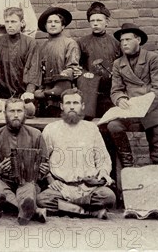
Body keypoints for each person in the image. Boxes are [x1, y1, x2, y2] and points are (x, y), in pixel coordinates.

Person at [37, 89, 115, 219]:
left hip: (88, 188)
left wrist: (102, 173)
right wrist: (50, 179)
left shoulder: (92, 129)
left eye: (75, 103)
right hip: (62, 188)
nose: (72, 106)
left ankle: (68, 208)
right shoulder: (51, 129)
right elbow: (41, 160)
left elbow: (103, 159)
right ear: (62, 106)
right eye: (68, 103)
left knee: (109, 197)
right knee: (42, 199)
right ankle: (90, 212)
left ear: (82, 106)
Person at [107, 23, 158, 167]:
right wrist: (120, 99)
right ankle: (127, 162)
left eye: (128, 40)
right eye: (122, 41)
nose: (124, 44)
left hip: (153, 109)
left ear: (138, 40)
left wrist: (142, 106)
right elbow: (116, 90)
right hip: (131, 112)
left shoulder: (152, 58)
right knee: (113, 126)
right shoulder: (118, 64)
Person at [0, 99, 48, 225]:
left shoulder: (36, 135)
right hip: (3, 181)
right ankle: (31, 210)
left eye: (19, 111)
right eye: (11, 111)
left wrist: (43, 169)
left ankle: (20, 206)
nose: (15, 115)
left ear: (25, 113)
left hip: (27, 181)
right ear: (5, 113)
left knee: (30, 186)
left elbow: (45, 165)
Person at [0, 7, 41, 105]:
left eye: (13, 21)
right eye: (7, 22)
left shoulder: (30, 43)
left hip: (23, 95)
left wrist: (29, 91)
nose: (10, 25)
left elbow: (34, 69)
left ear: (22, 22)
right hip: (0, 97)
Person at [77, 2, 121, 118]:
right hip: (90, 91)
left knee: (109, 123)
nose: (95, 24)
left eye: (99, 20)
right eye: (92, 21)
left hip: (111, 91)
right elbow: (78, 66)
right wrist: (85, 74)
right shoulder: (82, 42)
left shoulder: (116, 43)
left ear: (107, 22)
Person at [36, 6, 81, 101]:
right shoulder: (42, 47)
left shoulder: (69, 43)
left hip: (64, 89)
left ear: (63, 26)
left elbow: (72, 67)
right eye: (49, 22)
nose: (53, 25)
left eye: (56, 22)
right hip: (46, 91)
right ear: (45, 26)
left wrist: (64, 74)